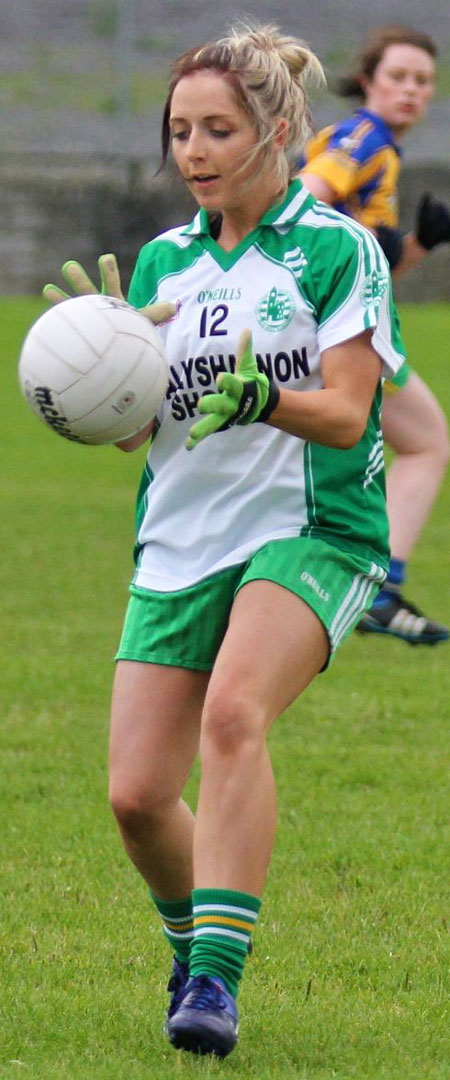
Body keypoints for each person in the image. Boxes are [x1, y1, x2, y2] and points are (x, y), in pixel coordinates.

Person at [44, 23, 405, 1059]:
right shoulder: (165, 259)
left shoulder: (336, 248)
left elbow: (345, 413)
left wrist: (264, 396)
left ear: (278, 128)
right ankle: (189, 941)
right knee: (136, 796)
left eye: (217, 130)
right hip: (182, 540)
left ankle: (216, 980)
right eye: (179, 132)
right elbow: (136, 435)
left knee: (237, 714)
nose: (193, 151)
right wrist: (96, 369)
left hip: (314, 531)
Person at [298, 24, 450, 646]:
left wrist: (418, 245)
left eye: (423, 82)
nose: (411, 91)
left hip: (337, 321)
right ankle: (373, 593)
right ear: (368, 80)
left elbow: (370, 264)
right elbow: (304, 208)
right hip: (339, 330)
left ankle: (363, 589)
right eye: (398, 77)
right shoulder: (365, 136)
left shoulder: (379, 147)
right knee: (426, 443)